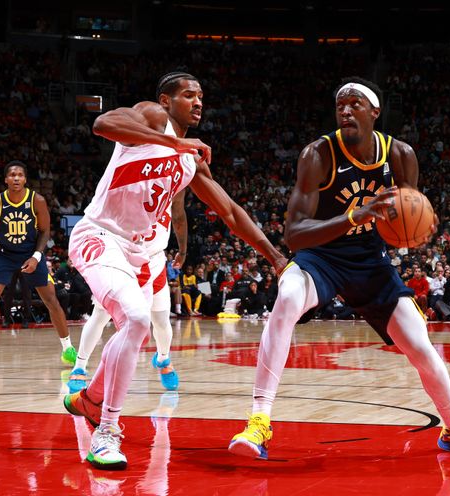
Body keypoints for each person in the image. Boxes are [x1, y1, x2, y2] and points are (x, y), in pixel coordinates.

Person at [228, 77, 450, 460]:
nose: (346, 111)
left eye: (355, 104)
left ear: (375, 112)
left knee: (418, 342)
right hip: (322, 257)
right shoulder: (317, 154)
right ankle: (259, 423)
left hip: (371, 261)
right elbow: (295, 235)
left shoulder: (400, 154)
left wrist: (420, 229)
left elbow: (406, 216)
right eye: (340, 106)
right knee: (286, 298)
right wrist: (355, 216)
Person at [62, 71, 286, 470]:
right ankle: (107, 431)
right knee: (134, 319)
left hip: (143, 253)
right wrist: (174, 141)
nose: (197, 102)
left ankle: (91, 399)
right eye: (188, 95)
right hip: (100, 235)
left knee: (135, 325)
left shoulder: (190, 160)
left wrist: (276, 257)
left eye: (201, 96)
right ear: (166, 101)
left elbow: (231, 212)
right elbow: (102, 123)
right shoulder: (150, 117)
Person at [0, 161, 76, 370]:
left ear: (25, 179)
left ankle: (68, 349)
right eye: (12, 175)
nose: (16, 178)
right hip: (5, 256)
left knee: (51, 299)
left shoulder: (37, 200)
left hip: (30, 254)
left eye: (20, 175)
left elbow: (45, 231)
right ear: (6, 179)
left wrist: (37, 256)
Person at [66, 195, 187, 394]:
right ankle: (79, 366)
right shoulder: (128, 185)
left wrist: (182, 251)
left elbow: (179, 216)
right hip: (123, 257)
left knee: (161, 320)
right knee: (100, 315)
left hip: (155, 260)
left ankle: (164, 358)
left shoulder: (172, 185)